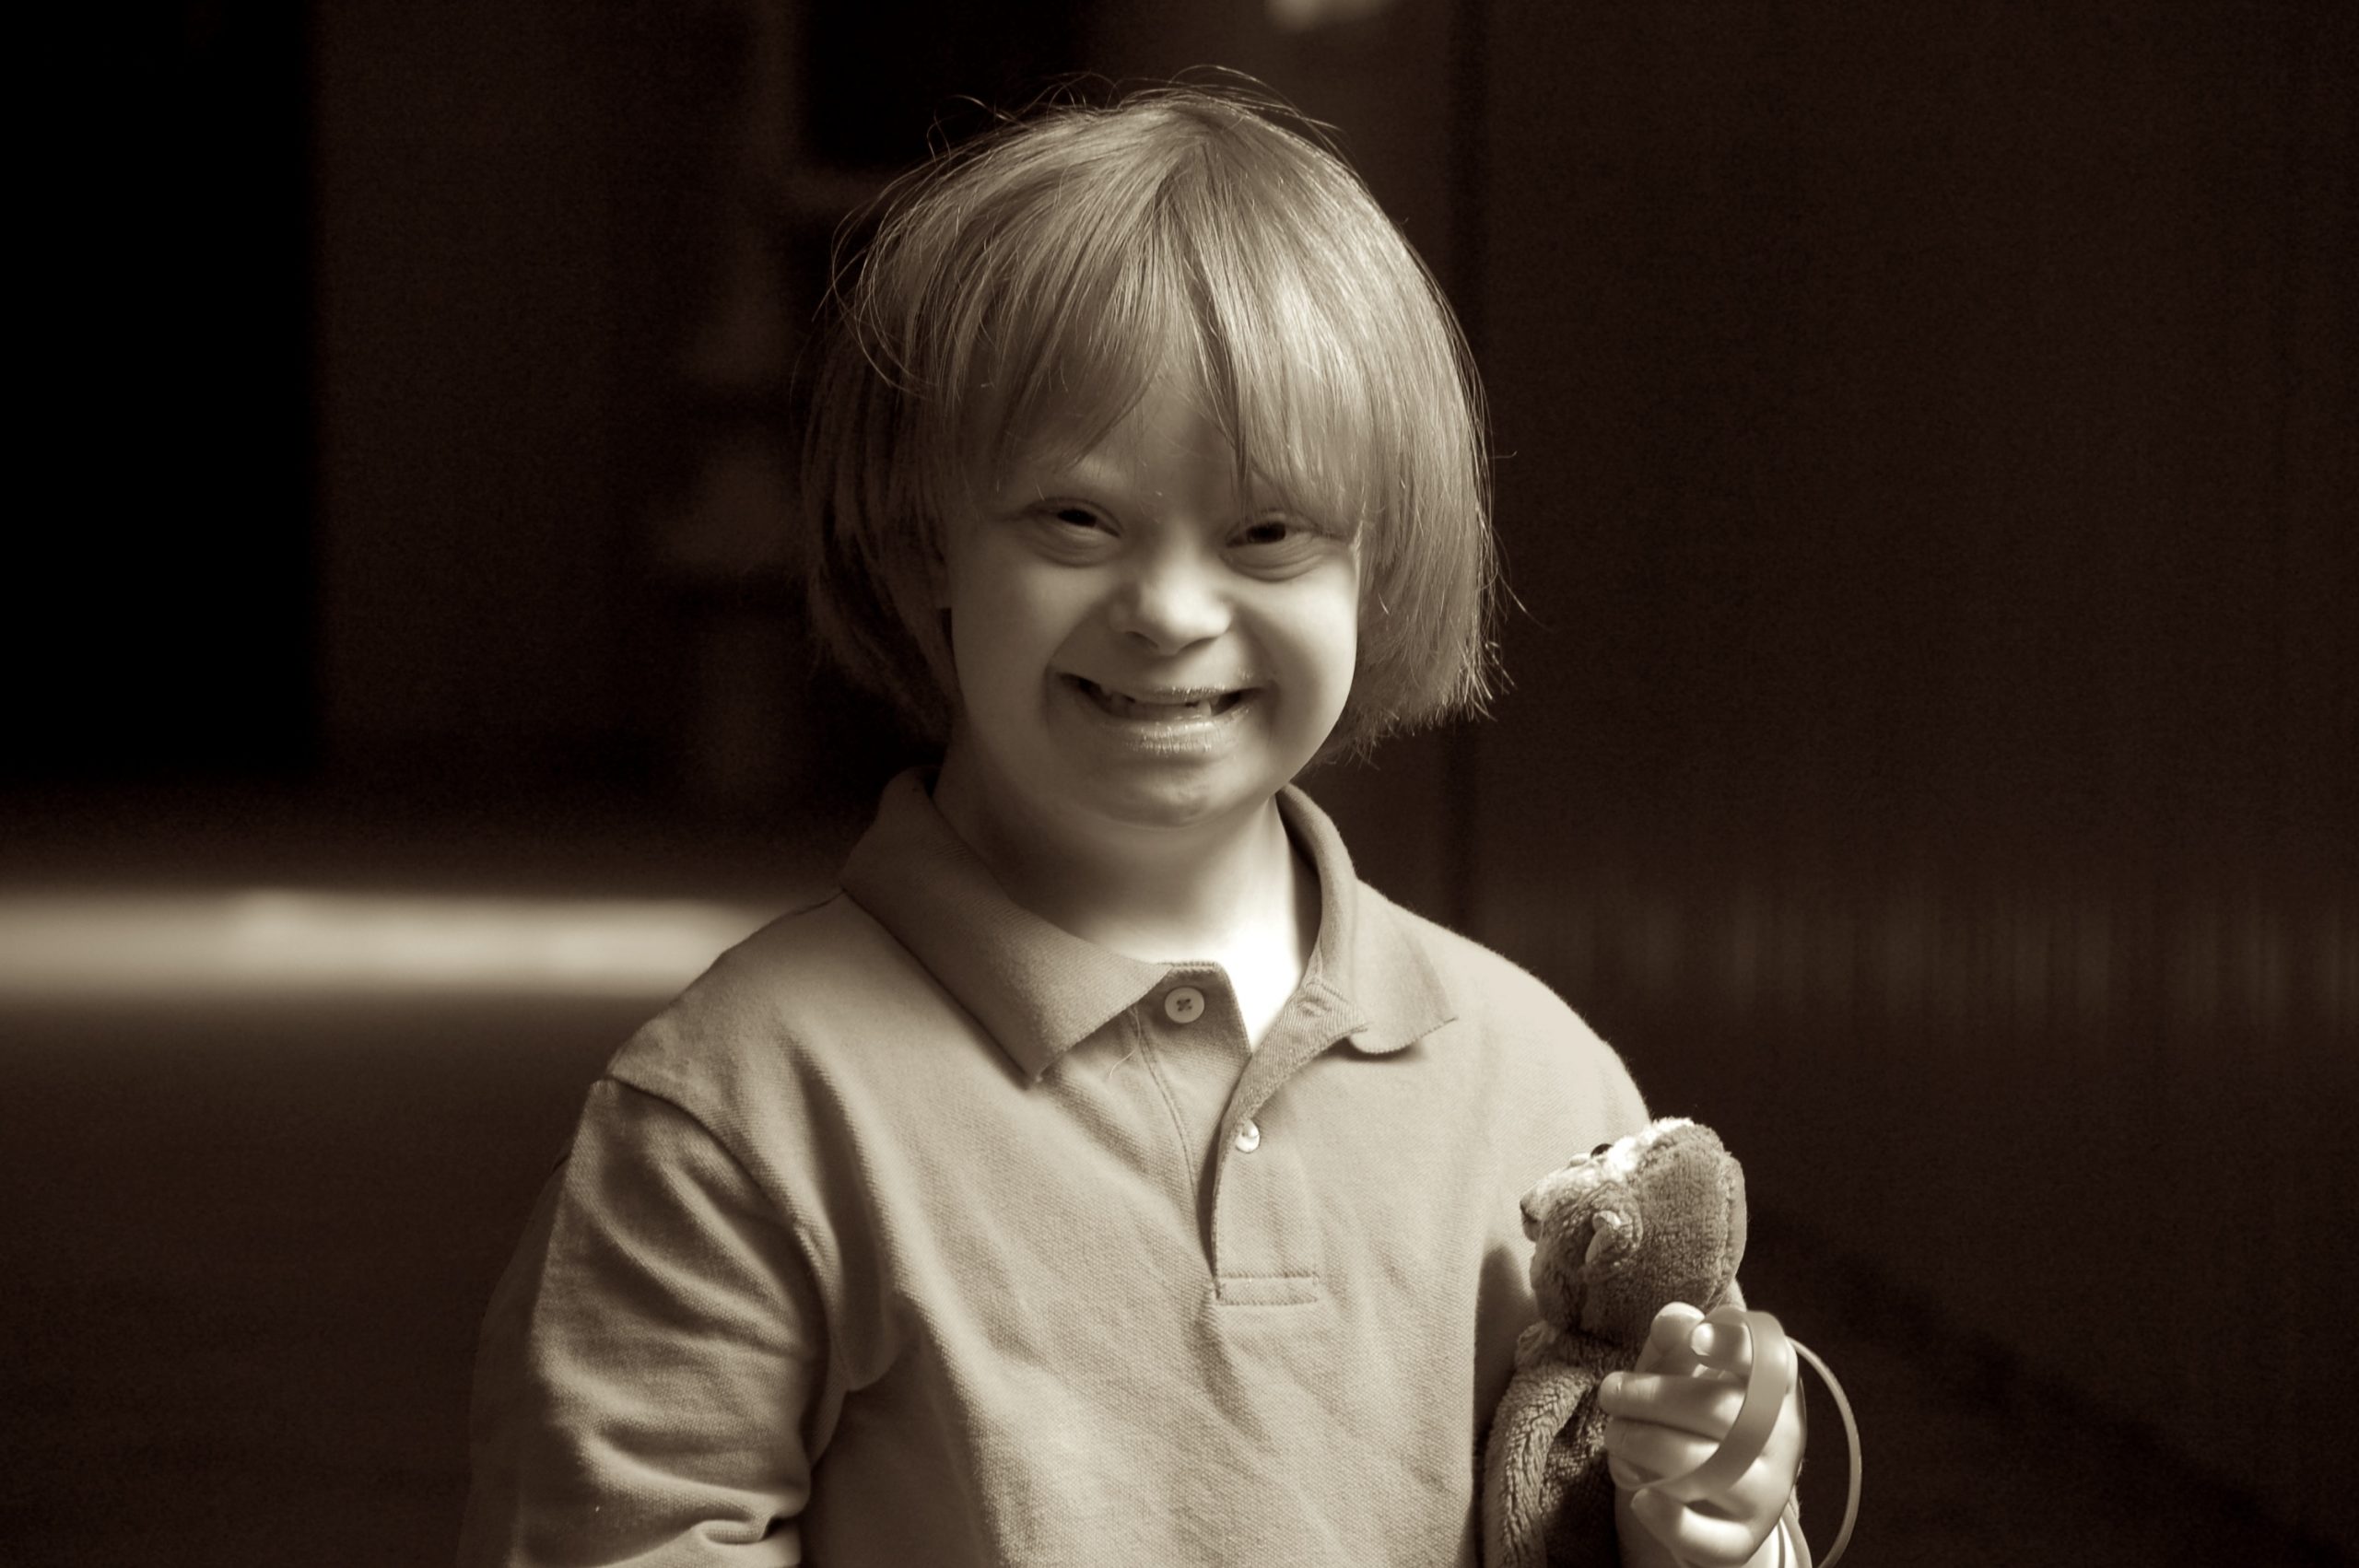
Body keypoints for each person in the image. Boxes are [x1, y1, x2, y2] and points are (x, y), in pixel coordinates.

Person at [458, 81, 1807, 1568]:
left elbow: (1657, 1489)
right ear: (925, 548)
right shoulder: (738, 1115)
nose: (1168, 610)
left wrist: (1714, 1518)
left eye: (1268, 532)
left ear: (1375, 568)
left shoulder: (1541, 1079)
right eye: (1076, 519)